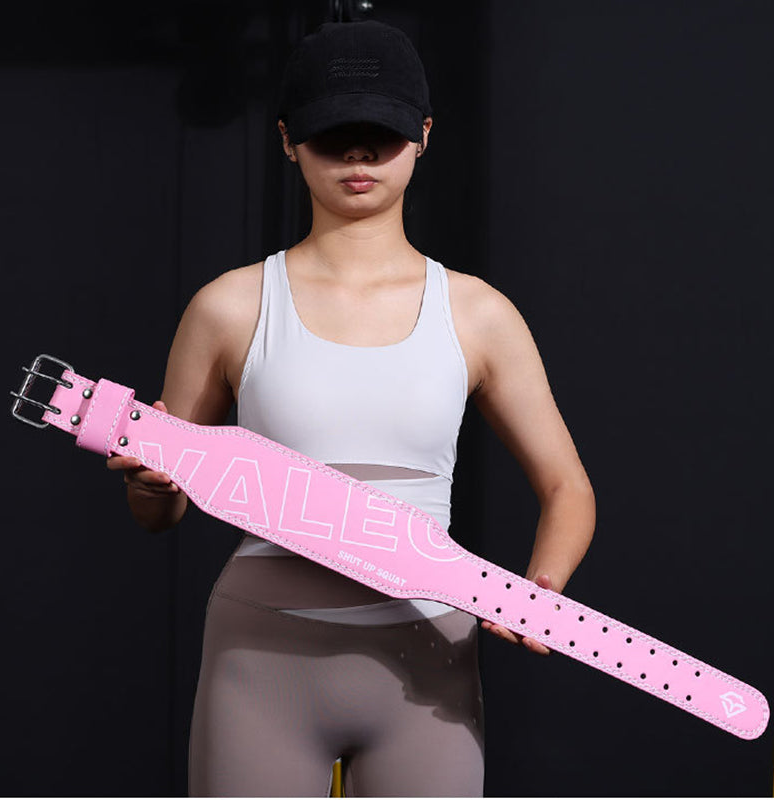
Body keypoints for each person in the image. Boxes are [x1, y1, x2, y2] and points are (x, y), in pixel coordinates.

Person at [108, 19, 596, 797]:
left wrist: (539, 592)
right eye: (334, 134)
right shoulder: (229, 307)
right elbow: (160, 510)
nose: (359, 154)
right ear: (288, 140)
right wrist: (148, 484)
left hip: (428, 666)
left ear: (424, 134)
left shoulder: (479, 314)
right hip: (261, 664)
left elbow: (568, 487)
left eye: (382, 132)